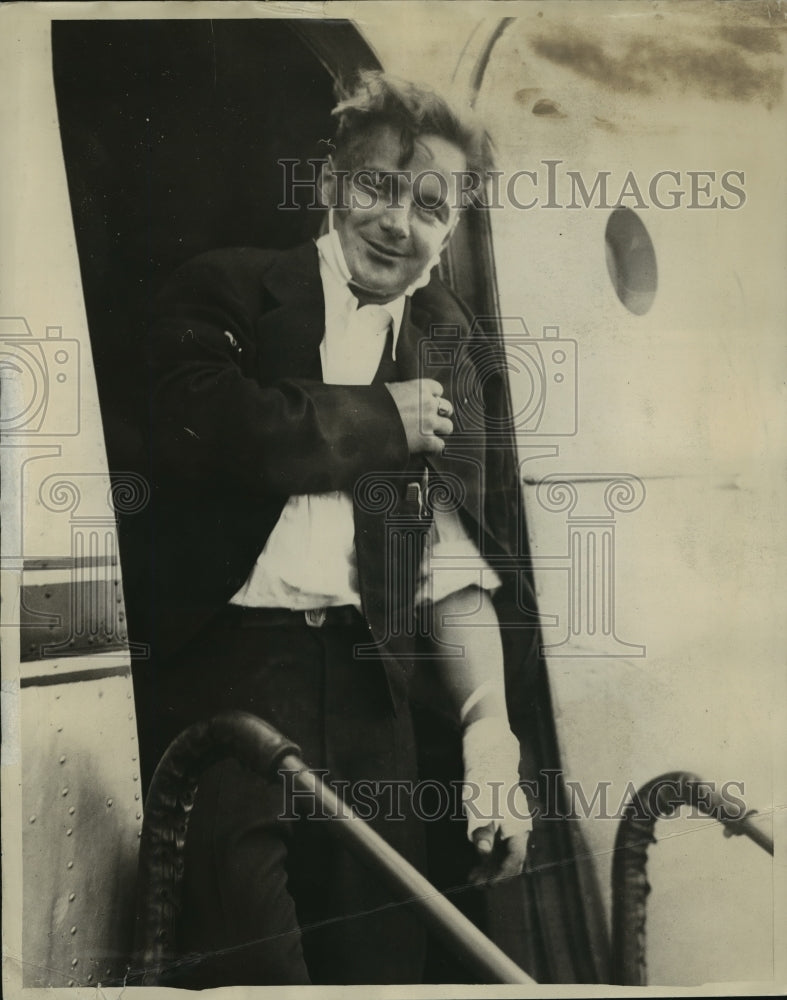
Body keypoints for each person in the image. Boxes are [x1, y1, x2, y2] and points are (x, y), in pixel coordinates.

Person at [130, 71, 532, 986]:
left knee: (379, 963)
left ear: (453, 225)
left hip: (368, 699)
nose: (399, 222)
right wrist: (384, 420)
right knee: (250, 965)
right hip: (232, 685)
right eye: (377, 187)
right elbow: (208, 427)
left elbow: (451, 565)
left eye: (431, 205)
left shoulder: (445, 341)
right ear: (328, 185)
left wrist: (487, 734)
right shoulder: (224, 289)